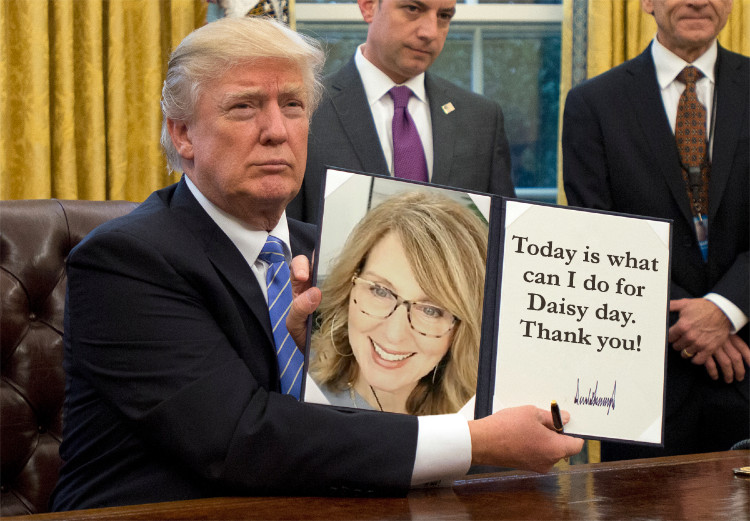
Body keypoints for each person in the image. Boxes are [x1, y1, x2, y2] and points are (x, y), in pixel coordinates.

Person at [51, 17, 582, 511]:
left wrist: (338, 368)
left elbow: (371, 427)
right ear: (184, 134)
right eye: (244, 107)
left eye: (293, 105)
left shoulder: (336, 257)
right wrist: (474, 440)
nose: (276, 130)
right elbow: (240, 439)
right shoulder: (125, 260)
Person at [562, 0, 748, 461]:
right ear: (646, 2)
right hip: (643, 380)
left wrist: (726, 309)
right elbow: (595, 236)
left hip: (746, 365)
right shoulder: (593, 103)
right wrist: (690, 323)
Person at [285, 0, 516, 223]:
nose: (430, 32)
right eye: (413, 8)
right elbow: (286, 231)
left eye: (444, 16)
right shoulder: (306, 109)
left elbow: (502, 234)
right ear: (368, 6)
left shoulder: (481, 119)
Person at [308, 191, 487, 415]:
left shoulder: (476, 423)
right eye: (380, 291)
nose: (394, 335)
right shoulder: (292, 379)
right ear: (349, 285)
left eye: (430, 310)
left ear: (462, 329)